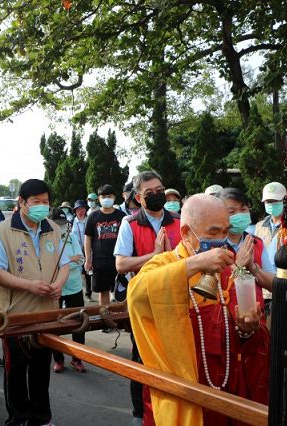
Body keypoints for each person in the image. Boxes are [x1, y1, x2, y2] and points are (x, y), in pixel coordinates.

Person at [128, 194, 269, 425]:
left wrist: (247, 330)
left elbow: (248, 334)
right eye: (213, 233)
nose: (221, 240)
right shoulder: (164, 264)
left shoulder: (228, 269)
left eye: (225, 232)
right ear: (185, 233)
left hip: (225, 384)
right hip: (178, 386)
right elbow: (137, 294)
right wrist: (195, 264)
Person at [0, 179, 70, 426]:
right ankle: (18, 417)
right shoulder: (2, 231)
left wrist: (58, 284)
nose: (42, 207)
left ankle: (41, 417)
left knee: (40, 370)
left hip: (47, 314)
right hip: (14, 316)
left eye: (45, 202)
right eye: (36, 202)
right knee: (15, 371)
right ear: (22, 203)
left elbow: (64, 263)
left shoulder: (53, 229)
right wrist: (29, 286)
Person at [114, 170, 181, 425]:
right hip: (142, 303)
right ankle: (139, 413)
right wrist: (154, 256)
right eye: (150, 193)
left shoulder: (178, 220)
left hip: (174, 299)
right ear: (139, 198)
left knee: (173, 356)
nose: (156, 196)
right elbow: (121, 264)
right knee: (142, 358)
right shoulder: (129, 224)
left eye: (159, 190)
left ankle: (170, 411)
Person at [216, 188, 276, 303]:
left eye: (243, 209)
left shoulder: (256, 242)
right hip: (225, 316)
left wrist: (253, 268)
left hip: (255, 315)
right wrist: (238, 265)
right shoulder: (213, 246)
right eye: (231, 212)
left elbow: (274, 285)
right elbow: (209, 287)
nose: (239, 215)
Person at [49, 208, 87, 373]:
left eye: (63, 224)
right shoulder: (47, 240)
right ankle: (58, 359)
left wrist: (64, 263)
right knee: (54, 325)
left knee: (79, 324)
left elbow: (81, 259)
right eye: (58, 224)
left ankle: (77, 359)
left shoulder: (71, 238)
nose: (61, 227)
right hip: (55, 288)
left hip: (74, 287)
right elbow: (49, 265)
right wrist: (68, 261)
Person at [84, 184, 126, 307]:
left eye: (109, 196)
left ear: (114, 197)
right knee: (103, 292)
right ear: (99, 198)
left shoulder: (121, 216)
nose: (106, 198)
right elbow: (88, 238)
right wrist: (88, 259)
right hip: (100, 261)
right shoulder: (93, 216)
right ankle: (105, 319)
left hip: (119, 259)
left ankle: (122, 319)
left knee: (122, 290)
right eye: (103, 196)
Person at [253, 182, 287, 324]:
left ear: (285, 201)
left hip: (285, 286)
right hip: (264, 288)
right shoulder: (259, 226)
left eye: (275, 201)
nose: (271, 204)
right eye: (268, 201)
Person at [72, 200, 92, 301]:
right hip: (76, 250)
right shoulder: (71, 222)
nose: (80, 211)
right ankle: (77, 291)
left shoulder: (89, 220)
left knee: (87, 272)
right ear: (75, 211)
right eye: (78, 209)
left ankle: (88, 293)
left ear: (85, 209)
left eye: (82, 208)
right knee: (76, 271)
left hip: (87, 249)